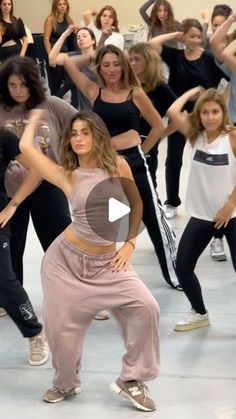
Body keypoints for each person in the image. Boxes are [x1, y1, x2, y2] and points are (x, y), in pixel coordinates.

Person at [19, 109, 160, 411]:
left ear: (97, 135)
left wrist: (130, 243)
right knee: (60, 329)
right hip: (65, 264)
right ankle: (65, 383)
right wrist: (34, 120)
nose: (79, 138)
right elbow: (26, 150)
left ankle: (131, 380)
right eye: (74, 134)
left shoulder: (118, 165)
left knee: (146, 307)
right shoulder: (67, 174)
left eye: (85, 132)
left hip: (108, 262)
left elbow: (135, 203)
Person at [64, 44, 181, 290]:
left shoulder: (134, 93)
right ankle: (102, 275)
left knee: (152, 217)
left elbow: (158, 126)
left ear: (124, 65)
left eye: (116, 63)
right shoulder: (94, 90)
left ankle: (174, 275)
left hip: (135, 163)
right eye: (105, 65)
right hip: (104, 166)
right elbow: (69, 62)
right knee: (104, 222)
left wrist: (143, 151)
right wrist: (96, 54)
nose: (111, 69)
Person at [0, 56, 76, 287]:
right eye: (12, 85)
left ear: (32, 82)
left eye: (23, 84)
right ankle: (12, 300)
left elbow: (86, 127)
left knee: (61, 246)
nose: (18, 90)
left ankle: (80, 296)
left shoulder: (51, 104)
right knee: (10, 250)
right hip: (10, 191)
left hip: (48, 187)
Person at [166, 87, 236, 331]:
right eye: (205, 112)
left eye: (215, 111)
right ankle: (200, 312)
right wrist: (192, 93)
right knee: (183, 266)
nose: (210, 117)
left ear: (223, 113)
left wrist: (229, 205)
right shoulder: (196, 136)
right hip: (202, 216)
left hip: (232, 216)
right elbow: (173, 111)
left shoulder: (233, 136)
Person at [149, 18, 227, 220]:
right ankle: (172, 202)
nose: (196, 40)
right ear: (183, 37)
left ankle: (215, 204)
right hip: (180, 115)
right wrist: (174, 35)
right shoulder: (175, 56)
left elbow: (226, 80)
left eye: (199, 36)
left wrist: (213, 98)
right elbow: (152, 45)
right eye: (191, 36)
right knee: (173, 159)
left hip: (205, 117)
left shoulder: (208, 58)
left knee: (211, 161)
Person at [0, 127, 48, 365]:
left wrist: (14, 204)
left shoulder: (4, 138)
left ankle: (34, 333)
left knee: (4, 278)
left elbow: (37, 169)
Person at [129, 42, 177, 188]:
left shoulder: (160, 88)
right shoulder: (126, 86)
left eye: (137, 59)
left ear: (148, 61)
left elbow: (179, 117)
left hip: (146, 147)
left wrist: (160, 136)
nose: (133, 63)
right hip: (125, 144)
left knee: (147, 187)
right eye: (130, 59)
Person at [49, 25, 98, 110]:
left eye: (84, 36)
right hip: (82, 105)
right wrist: (64, 35)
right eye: (78, 37)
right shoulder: (74, 57)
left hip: (99, 102)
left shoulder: (101, 55)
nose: (81, 39)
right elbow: (52, 59)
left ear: (93, 40)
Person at [43, 0, 75, 101]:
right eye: (59, 4)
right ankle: (54, 104)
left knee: (70, 81)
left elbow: (74, 33)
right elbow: (46, 39)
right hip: (53, 53)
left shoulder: (68, 19)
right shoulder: (50, 19)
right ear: (55, 7)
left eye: (64, 4)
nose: (62, 6)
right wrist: (50, 56)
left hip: (65, 54)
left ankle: (53, 101)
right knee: (55, 83)